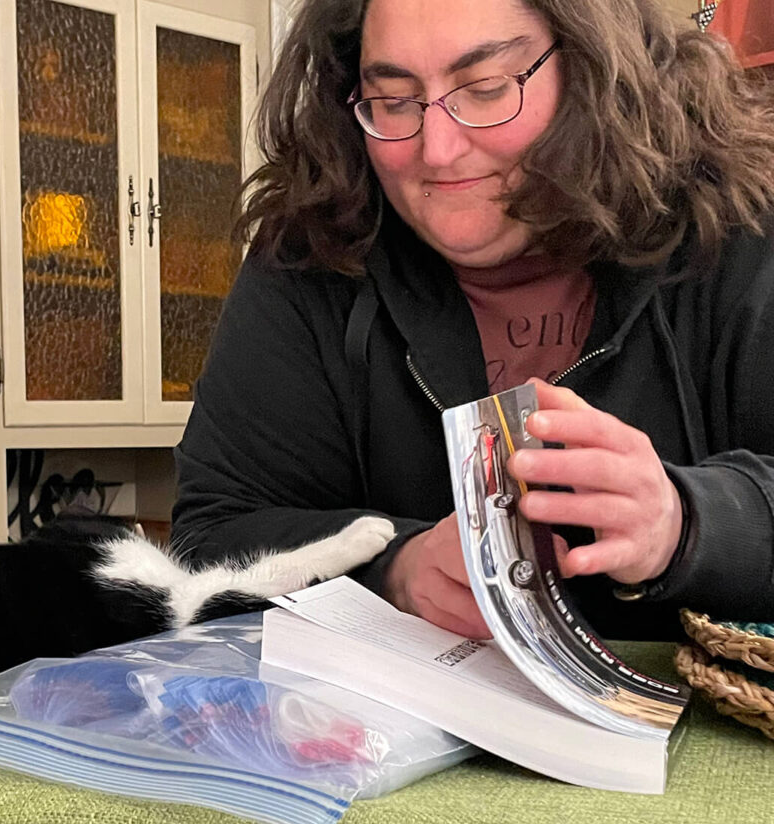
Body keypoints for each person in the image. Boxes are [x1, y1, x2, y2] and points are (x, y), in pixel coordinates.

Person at [171, 0, 774, 641]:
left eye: (486, 89)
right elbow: (213, 534)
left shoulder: (741, 226)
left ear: (597, 73)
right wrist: (393, 568)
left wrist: (686, 524)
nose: (438, 150)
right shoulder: (311, 256)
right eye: (394, 99)